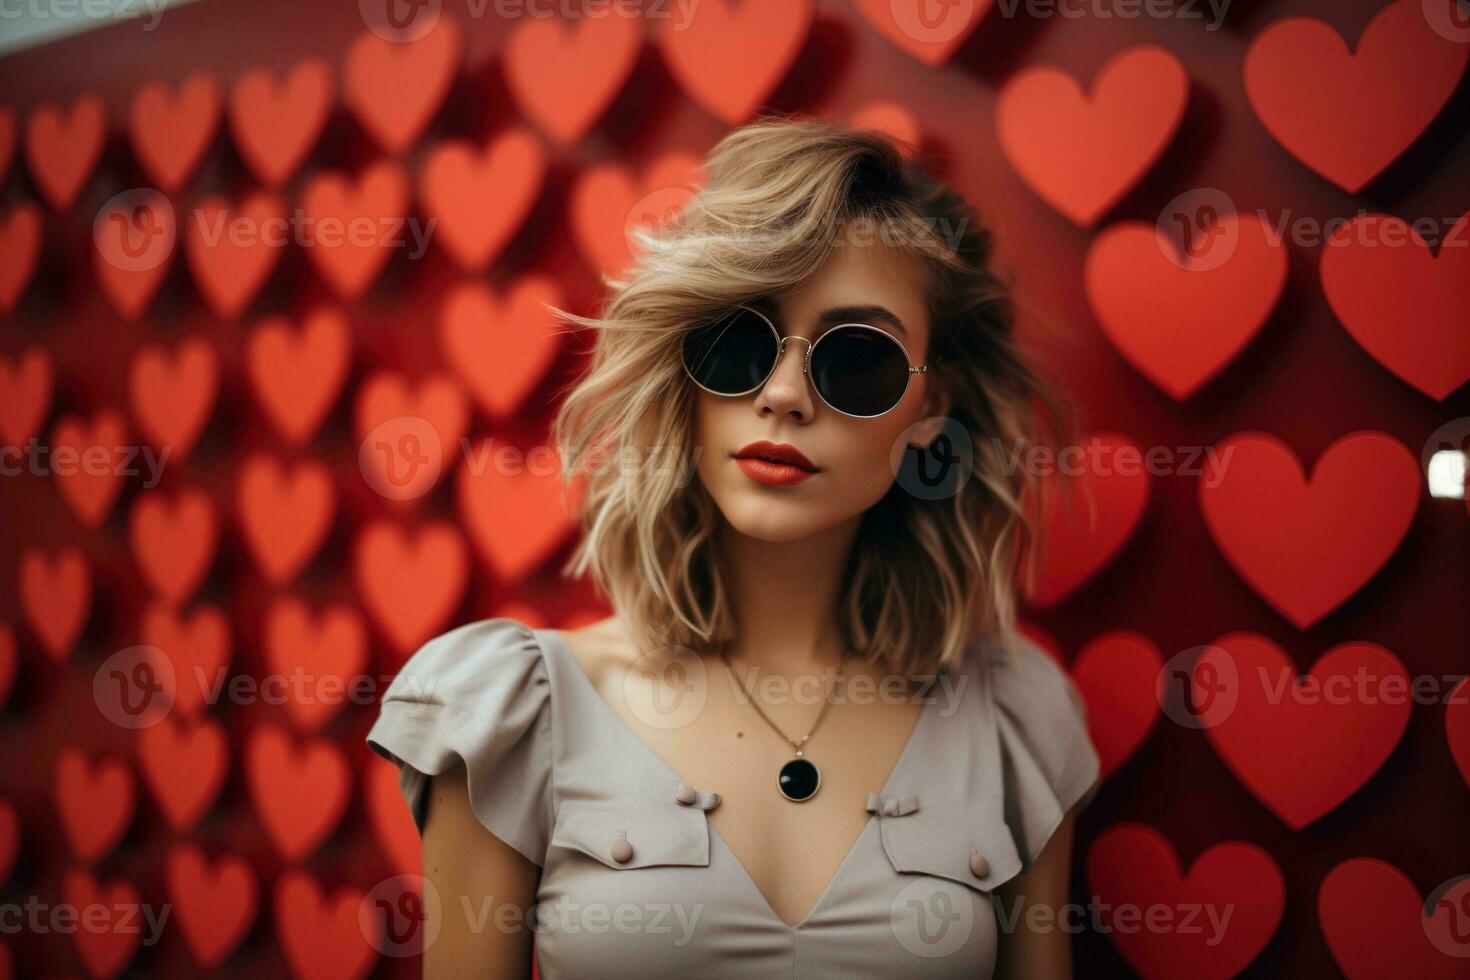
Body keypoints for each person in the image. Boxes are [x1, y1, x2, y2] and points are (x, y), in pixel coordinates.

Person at [367, 113, 1101, 978]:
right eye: (738, 342)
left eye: (855, 360)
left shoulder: (1013, 716)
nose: (785, 394)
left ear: (928, 414)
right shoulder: (517, 714)